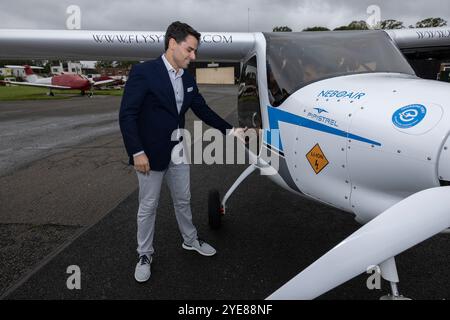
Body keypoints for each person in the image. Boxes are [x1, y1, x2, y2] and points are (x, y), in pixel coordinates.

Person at [119, 21, 244, 283]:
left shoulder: (187, 77)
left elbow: (202, 109)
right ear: (172, 44)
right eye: (190, 50)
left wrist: (230, 130)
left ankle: (190, 240)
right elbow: (127, 115)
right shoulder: (144, 72)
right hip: (150, 154)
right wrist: (137, 151)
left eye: (195, 51)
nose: (193, 56)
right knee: (148, 207)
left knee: (183, 199)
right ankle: (144, 254)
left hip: (177, 150)